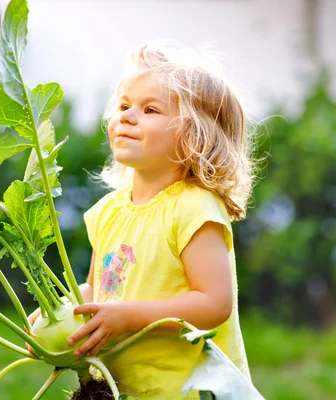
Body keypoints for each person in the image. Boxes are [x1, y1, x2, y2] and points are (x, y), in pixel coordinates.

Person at [29, 39, 256, 399]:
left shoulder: (193, 208)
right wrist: (57, 319)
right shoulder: (108, 210)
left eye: (150, 110)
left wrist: (128, 317)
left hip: (191, 391)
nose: (127, 117)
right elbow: (97, 289)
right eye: (123, 105)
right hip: (128, 389)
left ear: (195, 135)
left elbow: (214, 304)